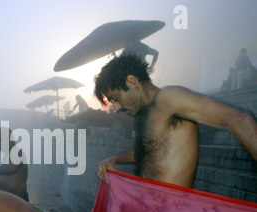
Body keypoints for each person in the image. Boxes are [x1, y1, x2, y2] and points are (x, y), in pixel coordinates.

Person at [94, 54, 257, 188]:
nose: (115, 108)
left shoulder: (168, 99)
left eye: (115, 98)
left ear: (132, 82)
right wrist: (115, 159)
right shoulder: (144, 114)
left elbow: (238, 117)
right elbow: (150, 153)